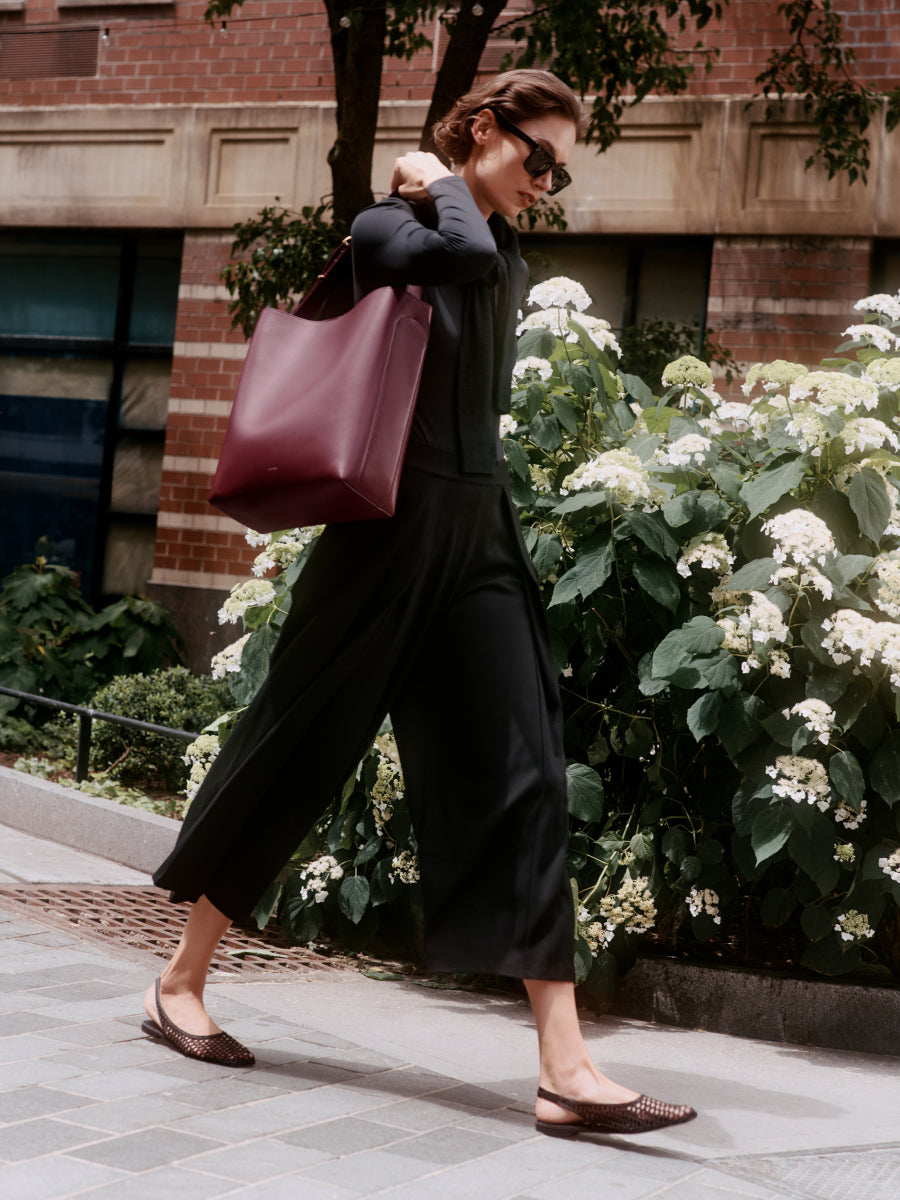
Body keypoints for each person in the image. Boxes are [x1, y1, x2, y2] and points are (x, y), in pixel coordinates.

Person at [143, 69, 696, 1139]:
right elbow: (465, 248)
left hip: (476, 531)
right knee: (298, 746)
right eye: (534, 154)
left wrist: (456, 180)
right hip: (383, 537)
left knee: (526, 768)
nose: (546, 180)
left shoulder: (499, 247)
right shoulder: (390, 227)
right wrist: (433, 177)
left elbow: (485, 265)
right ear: (482, 128)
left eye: (560, 169)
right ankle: (180, 979)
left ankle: (565, 1066)